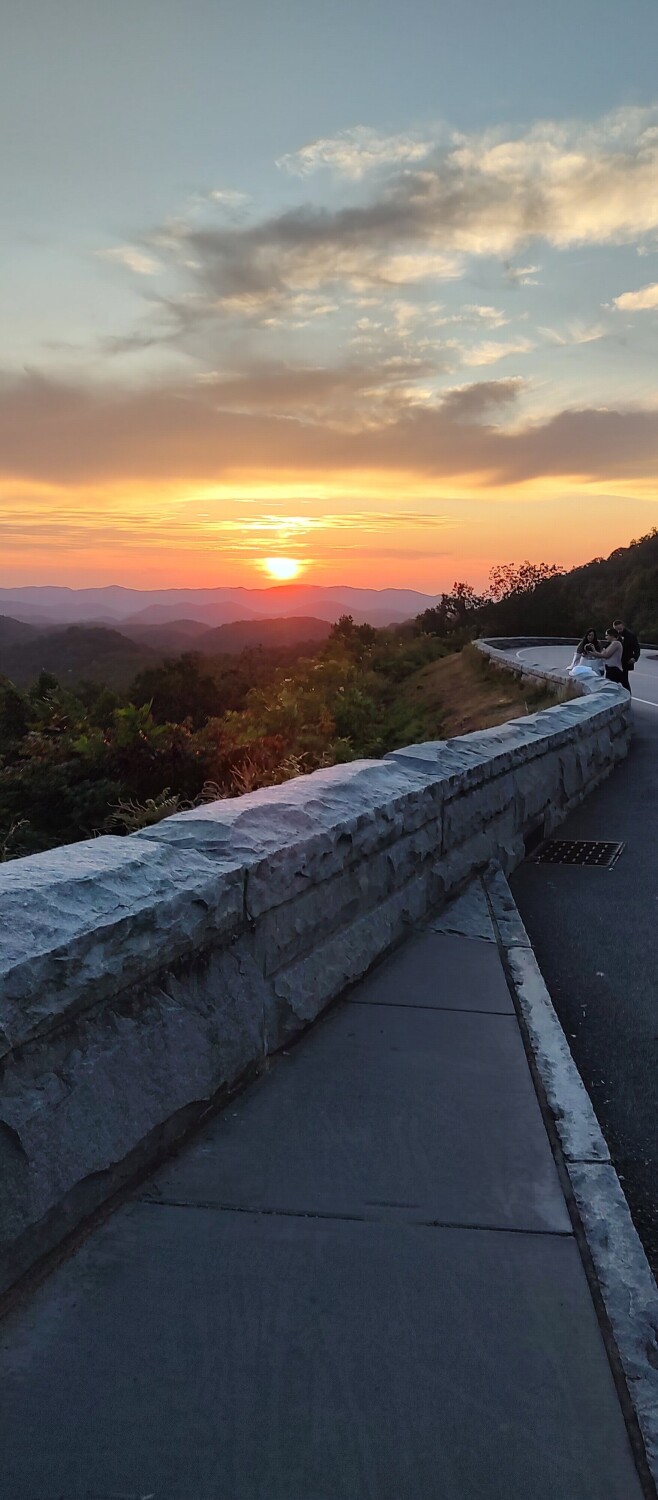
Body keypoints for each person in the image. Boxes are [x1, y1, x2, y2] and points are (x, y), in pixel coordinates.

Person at [613, 618, 640, 692]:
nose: (618, 631)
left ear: (623, 626)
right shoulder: (613, 636)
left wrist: (634, 658)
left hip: (625, 662)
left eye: (620, 629)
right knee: (613, 681)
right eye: (616, 629)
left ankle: (628, 695)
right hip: (615, 662)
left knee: (624, 681)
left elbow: (637, 648)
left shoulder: (631, 635)